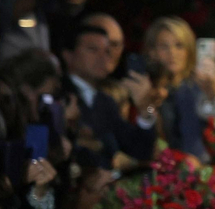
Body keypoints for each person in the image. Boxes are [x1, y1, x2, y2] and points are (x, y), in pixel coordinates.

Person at [60, 22, 158, 168]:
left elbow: (141, 150)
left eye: (107, 52)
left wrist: (147, 108)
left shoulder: (105, 101)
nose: (103, 57)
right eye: (93, 50)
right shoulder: (57, 94)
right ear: (68, 55)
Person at [144, 16, 209, 162]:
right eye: (164, 47)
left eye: (179, 46)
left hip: (201, 166)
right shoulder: (148, 88)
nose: (172, 53)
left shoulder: (200, 87)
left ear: (189, 50)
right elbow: (146, 114)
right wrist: (150, 104)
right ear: (152, 51)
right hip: (162, 167)